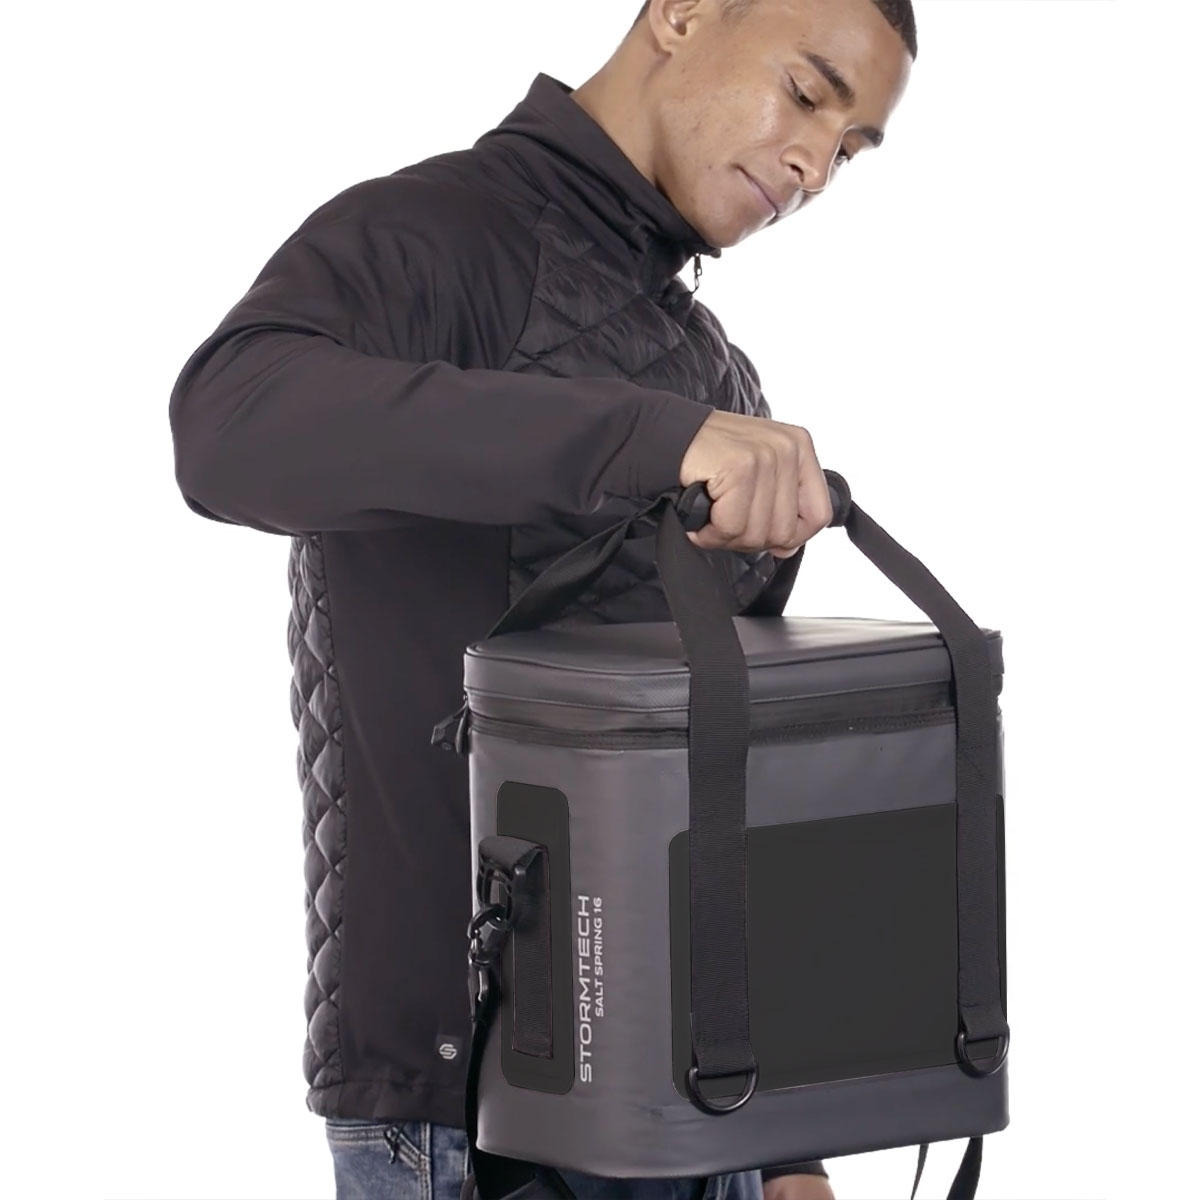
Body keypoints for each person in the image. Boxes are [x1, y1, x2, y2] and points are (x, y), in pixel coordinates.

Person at [167, 1, 914, 1196]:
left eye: (850, 149)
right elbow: (227, 427)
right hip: (473, 1119)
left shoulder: (722, 380)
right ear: (682, 15)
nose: (814, 167)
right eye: (808, 94)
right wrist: (643, 440)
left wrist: (789, 1144)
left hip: (708, 1117)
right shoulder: (437, 236)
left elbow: (728, 784)